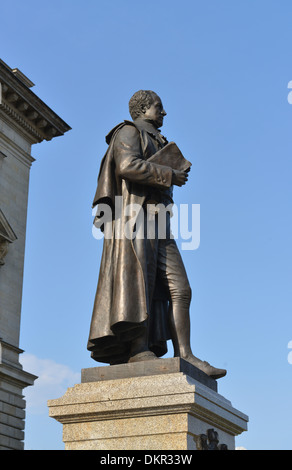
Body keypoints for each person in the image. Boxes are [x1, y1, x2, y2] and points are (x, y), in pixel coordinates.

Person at [87, 90, 226, 379]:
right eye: (159, 108)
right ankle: (138, 349)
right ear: (143, 109)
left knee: (181, 289)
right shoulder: (127, 131)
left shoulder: (156, 139)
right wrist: (170, 174)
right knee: (140, 284)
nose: (164, 113)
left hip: (159, 221)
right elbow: (127, 166)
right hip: (134, 219)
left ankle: (185, 354)